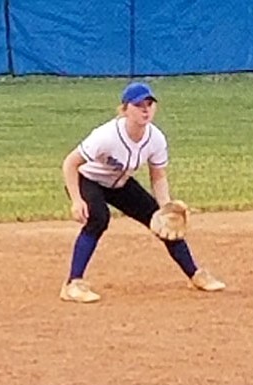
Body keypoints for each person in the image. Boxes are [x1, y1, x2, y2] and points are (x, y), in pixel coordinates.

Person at [60, 81, 225, 303]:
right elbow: (70, 163)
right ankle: (73, 284)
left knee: (164, 222)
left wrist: (166, 207)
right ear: (125, 109)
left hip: (120, 184)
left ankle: (194, 274)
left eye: (149, 104)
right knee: (99, 218)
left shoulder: (155, 138)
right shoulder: (106, 135)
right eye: (138, 105)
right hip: (87, 179)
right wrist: (77, 200)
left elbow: (158, 175)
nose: (145, 109)